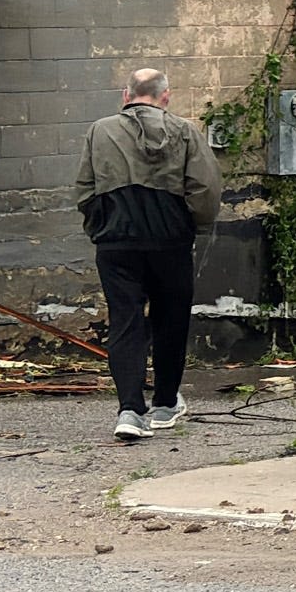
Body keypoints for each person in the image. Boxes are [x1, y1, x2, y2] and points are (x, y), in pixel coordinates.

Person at [74, 68, 222, 440]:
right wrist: (193, 225)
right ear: (166, 97)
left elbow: (84, 190)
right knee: (170, 320)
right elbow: (205, 188)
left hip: (116, 244)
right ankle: (165, 404)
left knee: (125, 322)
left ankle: (129, 411)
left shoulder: (100, 131)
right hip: (169, 241)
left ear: (126, 95)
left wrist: (100, 228)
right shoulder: (185, 131)